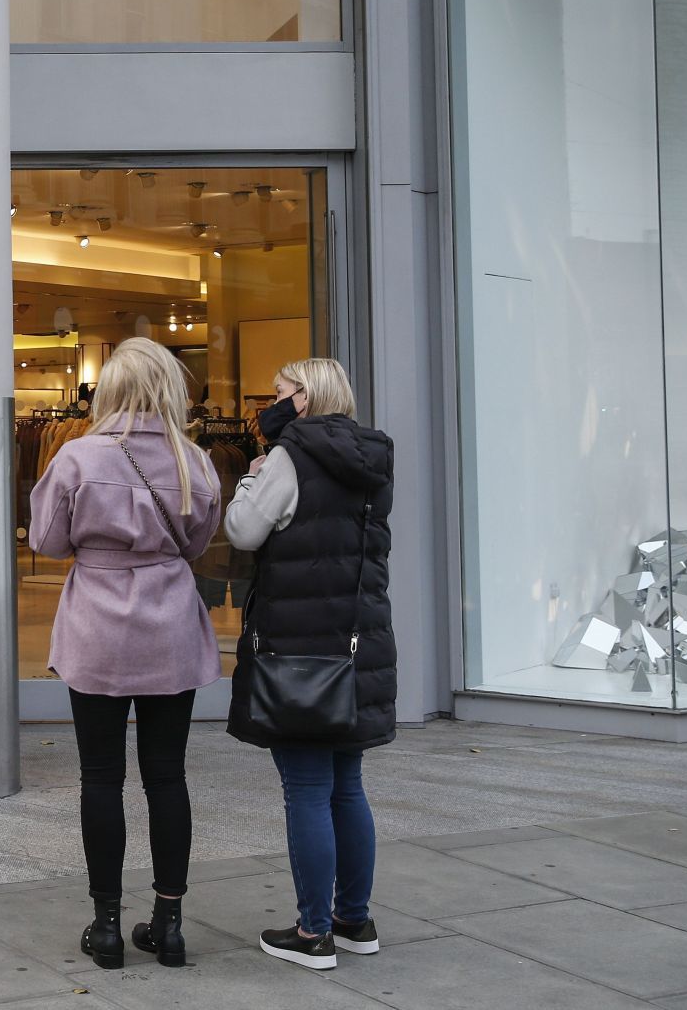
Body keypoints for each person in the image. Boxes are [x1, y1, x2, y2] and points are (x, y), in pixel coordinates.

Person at [29, 337, 223, 970]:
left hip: (98, 627)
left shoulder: (77, 457)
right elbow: (196, 543)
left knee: (100, 776)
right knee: (167, 775)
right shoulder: (193, 458)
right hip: (169, 619)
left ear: (108, 390)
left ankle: (106, 925)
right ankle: (169, 924)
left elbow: (48, 540)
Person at [224, 357, 395, 971]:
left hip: (298, 649)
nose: (269, 403)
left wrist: (251, 478)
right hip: (358, 646)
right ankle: (355, 920)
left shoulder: (290, 456)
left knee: (306, 789)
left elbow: (244, 531)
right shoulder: (375, 455)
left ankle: (313, 932)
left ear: (303, 399)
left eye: (278, 391)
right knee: (347, 787)